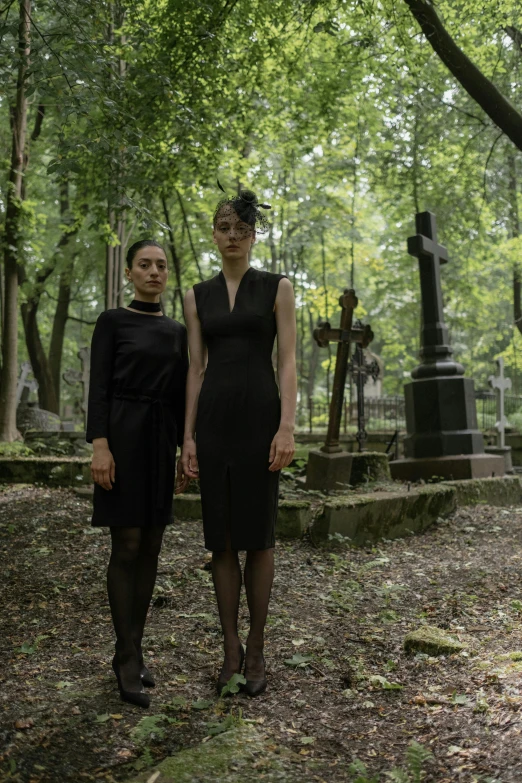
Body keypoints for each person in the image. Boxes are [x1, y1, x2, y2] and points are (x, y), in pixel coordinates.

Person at [180, 189, 297, 697]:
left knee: (259, 536)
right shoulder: (195, 295)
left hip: (260, 421)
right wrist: (186, 436)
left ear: (253, 235)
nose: (232, 237)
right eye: (223, 228)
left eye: (240, 229)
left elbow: (288, 361)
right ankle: (228, 647)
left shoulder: (277, 287)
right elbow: (195, 367)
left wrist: (287, 425)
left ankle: (256, 646)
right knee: (221, 538)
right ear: (214, 234)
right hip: (213, 424)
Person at [86, 239, 189, 709]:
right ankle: (125, 655)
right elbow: (100, 386)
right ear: (129, 273)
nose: (154, 272)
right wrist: (100, 444)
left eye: (161, 266)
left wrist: (183, 449)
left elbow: (180, 395)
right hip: (121, 437)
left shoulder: (177, 331)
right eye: (144, 265)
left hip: (158, 439)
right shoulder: (112, 322)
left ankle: (135, 644)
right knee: (125, 543)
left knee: (151, 544)